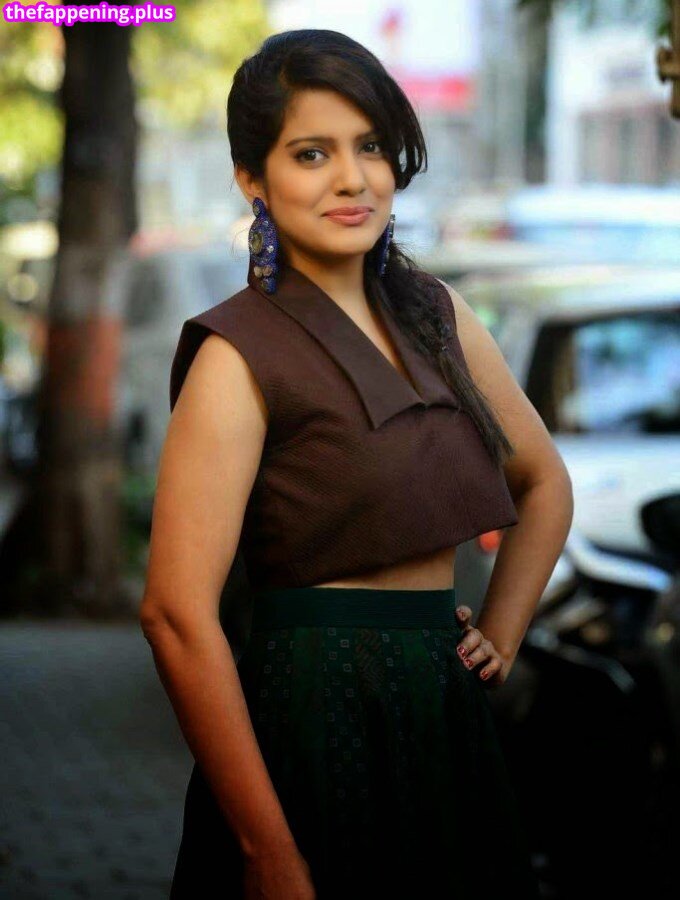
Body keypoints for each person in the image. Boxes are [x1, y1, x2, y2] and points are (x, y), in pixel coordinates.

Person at [140, 29, 573, 900]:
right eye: (312, 153)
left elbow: (544, 482)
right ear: (253, 178)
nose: (353, 178)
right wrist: (266, 851)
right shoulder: (236, 352)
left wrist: (504, 632)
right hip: (309, 716)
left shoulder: (439, 316)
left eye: (370, 146)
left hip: (443, 711)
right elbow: (176, 615)